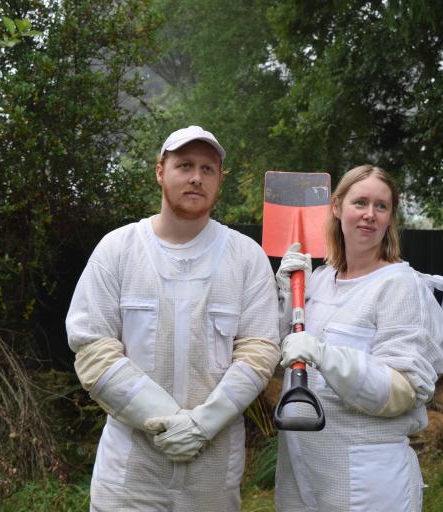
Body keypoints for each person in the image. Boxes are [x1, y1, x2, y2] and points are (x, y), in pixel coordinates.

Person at [65, 125, 280, 511]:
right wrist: (163, 420)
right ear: (160, 171)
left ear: (219, 181)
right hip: (130, 476)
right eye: (184, 165)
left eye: (208, 169)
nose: (196, 177)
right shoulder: (118, 250)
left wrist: (202, 425)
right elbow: (93, 347)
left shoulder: (246, 258)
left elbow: (259, 352)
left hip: (212, 476)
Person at [274, 164, 443, 512]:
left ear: (390, 218)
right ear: (337, 206)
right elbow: (287, 353)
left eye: (381, 206)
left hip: (366, 484)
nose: (369, 215)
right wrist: (287, 297)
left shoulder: (399, 286)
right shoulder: (321, 280)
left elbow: (402, 390)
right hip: (301, 476)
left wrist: (327, 357)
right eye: (360, 203)